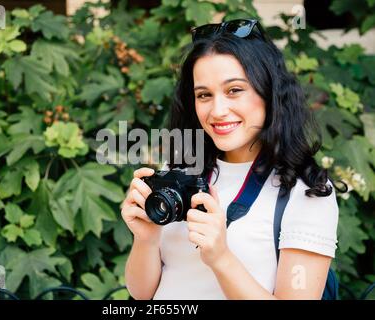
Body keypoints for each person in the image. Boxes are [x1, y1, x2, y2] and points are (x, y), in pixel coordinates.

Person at [120, 19, 345, 300]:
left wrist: (221, 258)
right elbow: (143, 294)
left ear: (268, 91)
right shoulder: (178, 172)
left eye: (234, 90)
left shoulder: (307, 191)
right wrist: (146, 239)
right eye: (204, 95)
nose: (217, 110)